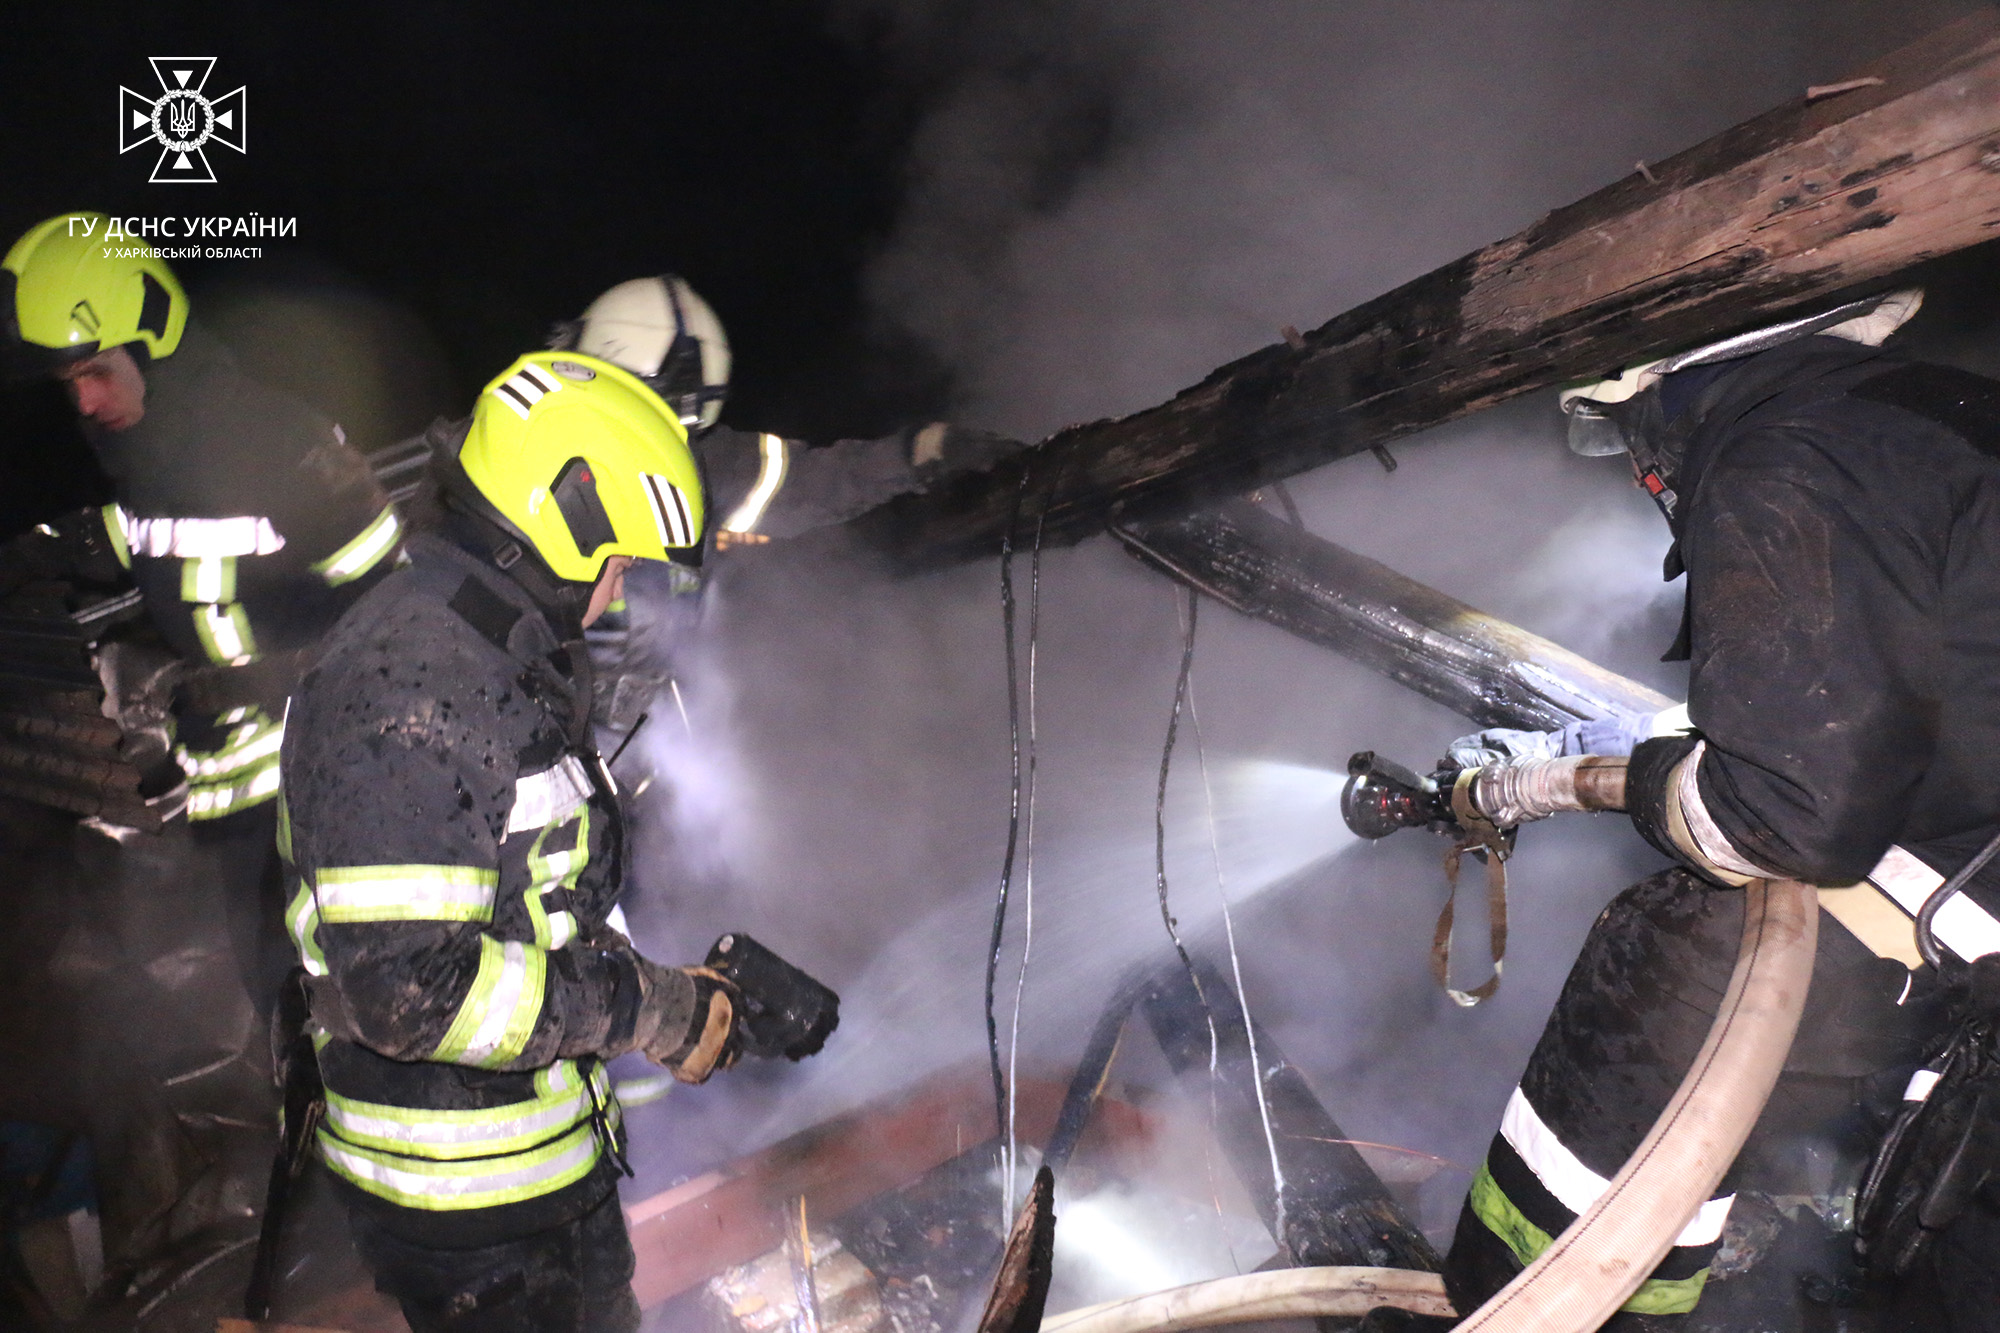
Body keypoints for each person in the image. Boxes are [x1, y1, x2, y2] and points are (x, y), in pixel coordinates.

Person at [1436, 287, 2000, 1329]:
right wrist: (1554, 759)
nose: (1642, 476)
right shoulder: (1908, 418)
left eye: (1620, 434)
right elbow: (1821, 706)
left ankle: (1531, 1298)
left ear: (1656, 394)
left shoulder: (1781, 460)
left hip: (1970, 901)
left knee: (1672, 957)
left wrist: (1644, 791)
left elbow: (1784, 814)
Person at [280, 350, 751, 1331]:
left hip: (533, 1174)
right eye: (616, 561)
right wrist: (643, 1008)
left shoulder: (485, 646)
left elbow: (513, 896)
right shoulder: (408, 683)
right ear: (557, 524)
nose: (616, 592)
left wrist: (641, 985)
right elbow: (411, 992)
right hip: (465, 1209)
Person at [0, 211, 404, 1281]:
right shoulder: (139, 457)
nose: (82, 400)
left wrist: (242, 680)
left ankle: (396, 1230)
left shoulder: (282, 442)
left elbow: (397, 617)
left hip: (333, 792)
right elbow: (158, 551)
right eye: (67, 384)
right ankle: (341, 1232)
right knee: (289, 1030)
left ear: (152, 331)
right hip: (233, 810)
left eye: (92, 370)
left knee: (364, 1020)